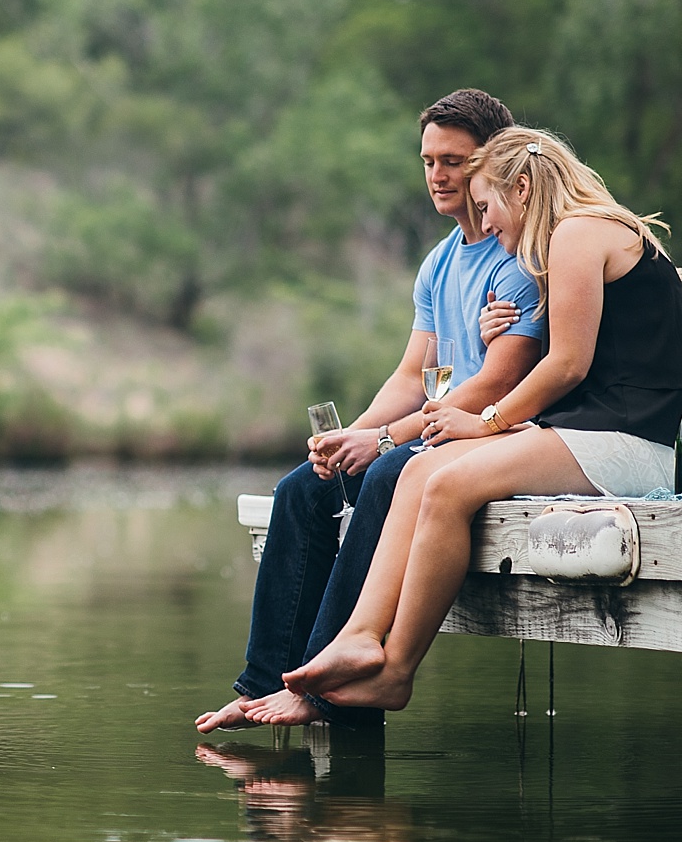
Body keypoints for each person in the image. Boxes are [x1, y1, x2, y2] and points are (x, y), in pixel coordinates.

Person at [282, 127, 682, 712]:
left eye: (487, 206)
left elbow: (569, 366)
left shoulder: (579, 232)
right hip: (585, 431)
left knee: (451, 484)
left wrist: (489, 422)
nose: (487, 225)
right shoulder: (574, 240)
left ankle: (396, 670)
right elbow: (585, 346)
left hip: (627, 440)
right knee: (420, 471)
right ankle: (357, 634)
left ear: (521, 187)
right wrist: (494, 337)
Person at [195, 89, 545, 733]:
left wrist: (381, 443)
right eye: (428, 161)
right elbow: (414, 375)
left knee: (384, 475)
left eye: (455, 162)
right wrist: (351, 436)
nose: (438, 175)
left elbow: (497, 388)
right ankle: (260, 682)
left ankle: (328, 683)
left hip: (485, 440)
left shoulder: (521, 258)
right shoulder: (440, 264)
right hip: (427, 433)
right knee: (302, 489)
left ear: (493, 162)